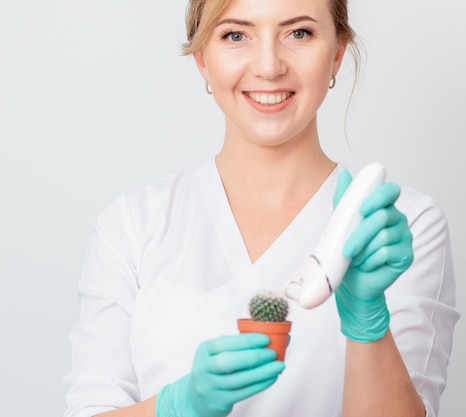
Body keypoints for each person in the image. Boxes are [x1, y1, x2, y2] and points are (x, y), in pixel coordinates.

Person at [63, 0, 460, 416]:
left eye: (299, 33)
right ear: (201, 58)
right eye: (236, 35)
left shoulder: (399, 227)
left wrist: (367, 324)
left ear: (337, 54)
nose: (269, 67)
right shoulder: (133, 224)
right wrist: (178, 407)